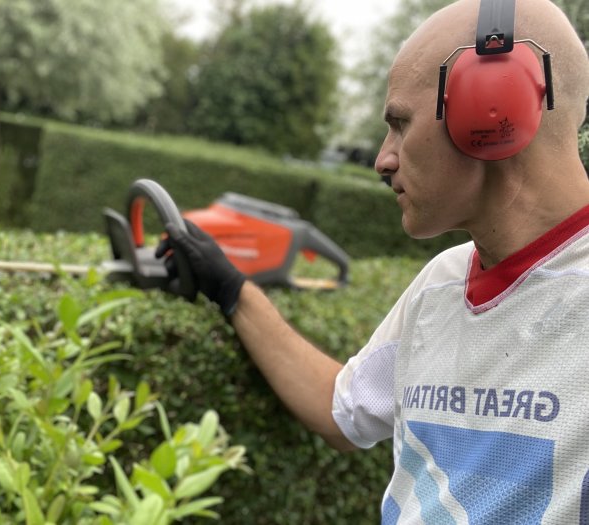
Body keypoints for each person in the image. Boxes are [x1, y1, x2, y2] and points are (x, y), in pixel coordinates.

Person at [157, 0, 589, 521]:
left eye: (401, 124)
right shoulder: (442, 283)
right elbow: (341, 410)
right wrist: (230, 288)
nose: (383, 159)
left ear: (495, 105)